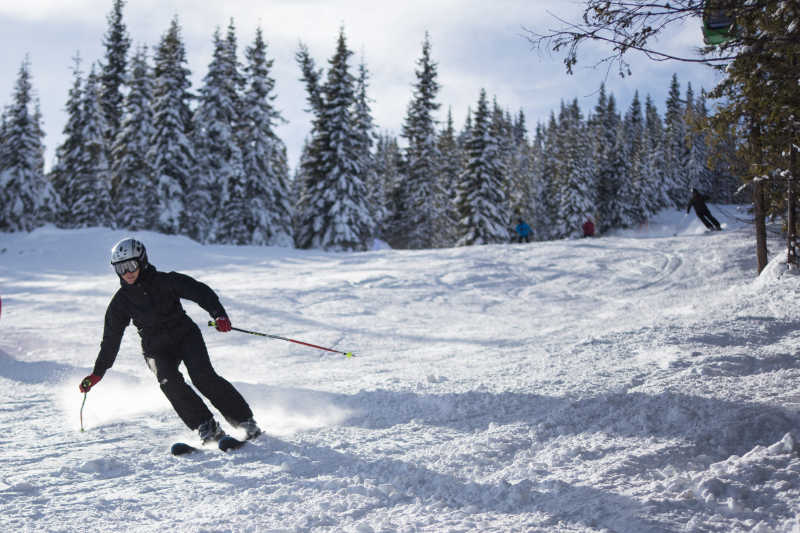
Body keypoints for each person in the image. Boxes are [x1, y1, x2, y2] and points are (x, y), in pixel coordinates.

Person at [78, 238, 262, 444]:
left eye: (130, 265)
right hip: (155, 348)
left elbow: (200, 292)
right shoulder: (121, 302)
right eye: (120, 268)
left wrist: (219, 315)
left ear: (142, 261)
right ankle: (207, 426)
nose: (126, 272)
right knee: (168, 381)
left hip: (186, 336)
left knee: (203, 376)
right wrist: (97, 373)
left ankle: (245, 422)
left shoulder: (166, 281)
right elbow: (111, 339)